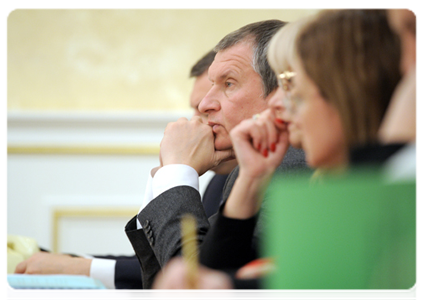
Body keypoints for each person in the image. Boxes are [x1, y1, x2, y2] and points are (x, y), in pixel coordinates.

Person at [152, 8, 402, 299]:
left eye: (293, 85)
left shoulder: (302, 168)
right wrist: (250, 180)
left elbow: (194, 286)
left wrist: (176, 172)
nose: (278, 102)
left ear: (348, 94)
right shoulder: (317, 179)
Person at [13, 49, 234, 298]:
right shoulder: (220, 179)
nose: (194, 122)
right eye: (195, 109)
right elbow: (162, 260)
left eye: (205, 111)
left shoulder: (257, 177)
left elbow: (192, 275)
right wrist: (70, 262)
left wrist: (82, 267)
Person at [125, 19, 308, 297]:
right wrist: (168, 175)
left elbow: (195, 286)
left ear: (279, 93)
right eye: (212, 83)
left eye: (229, 83)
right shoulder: (249, 167)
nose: (204, 104)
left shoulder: (291, 162)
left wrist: (176, 173)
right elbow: (166, 286)